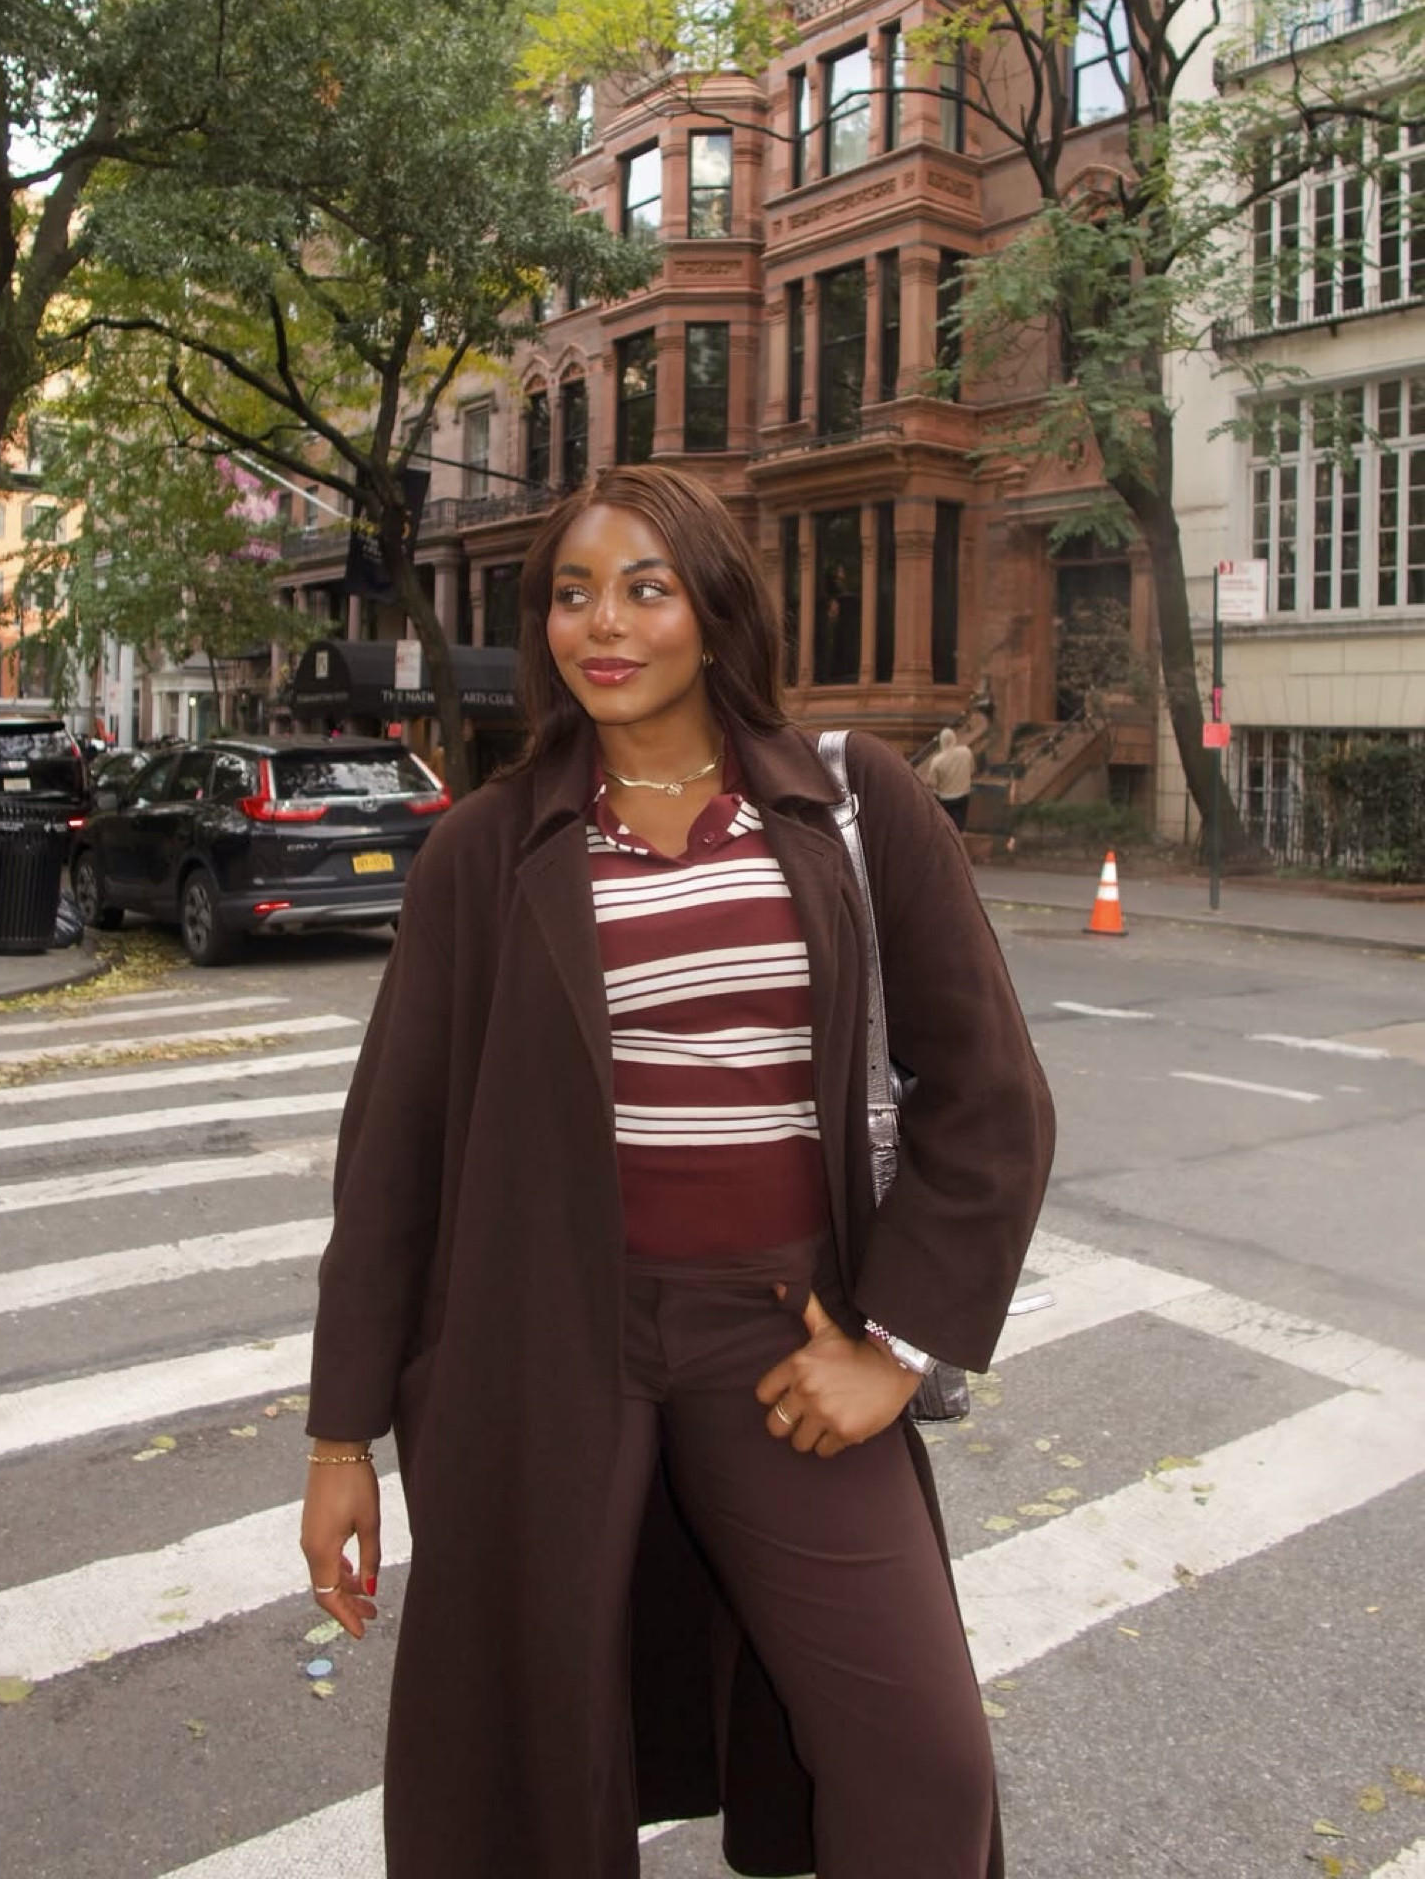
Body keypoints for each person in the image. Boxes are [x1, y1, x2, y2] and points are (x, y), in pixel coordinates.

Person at [300, 465, 1054, 1879]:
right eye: (574, 593)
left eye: (646, 587)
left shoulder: (844, 802)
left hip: (776, 1342)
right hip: (539, 1351)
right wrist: (341, 1441)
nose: (607, 623)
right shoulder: (487, 847)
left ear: (714, 609)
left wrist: (896, 1343)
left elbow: (991, 1094)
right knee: (523, 1777)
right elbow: (392, 1158)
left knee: (920, 1759)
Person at [924, 724, 976, 832]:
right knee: (959, 826)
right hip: (963, 796)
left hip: (945, 799)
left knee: (946, 827)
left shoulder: (937, 760)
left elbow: (932, 783)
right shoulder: (966, 752)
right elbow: (972, 770)